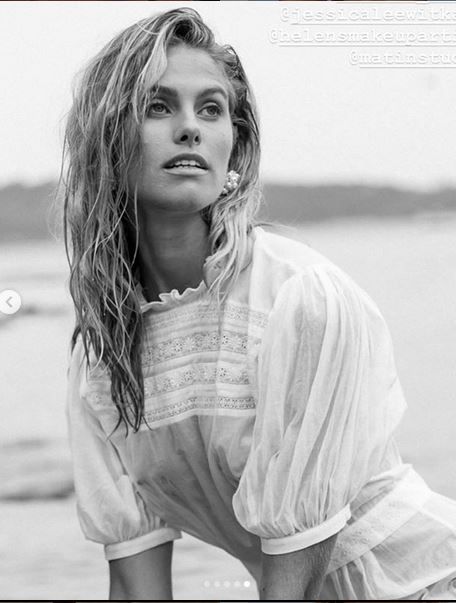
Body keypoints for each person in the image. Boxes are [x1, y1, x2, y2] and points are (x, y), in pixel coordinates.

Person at [62, 7, 456, 601]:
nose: (190, 129)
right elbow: (137, 586)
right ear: (105, 139)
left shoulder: (298, 300)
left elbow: (298, 555)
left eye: (211, 108)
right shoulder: (101, 358)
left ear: (235, 145)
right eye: (158, 106)